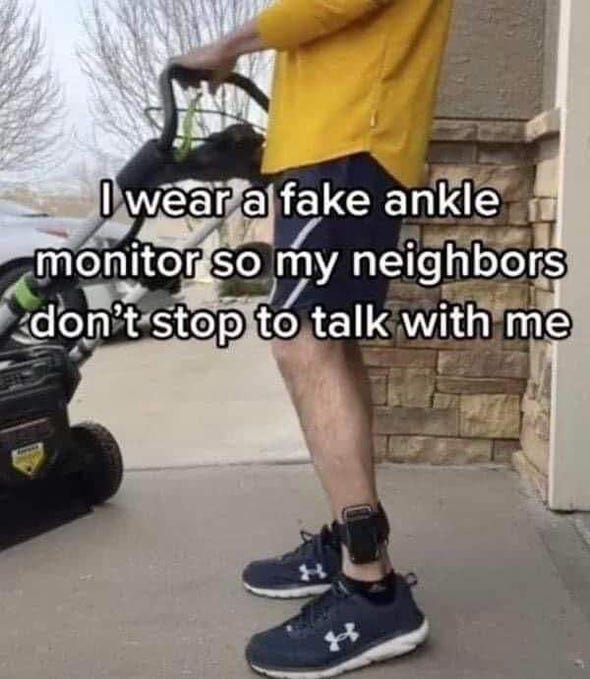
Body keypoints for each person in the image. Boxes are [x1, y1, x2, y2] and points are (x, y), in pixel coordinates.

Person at [173, 1, 454, 676]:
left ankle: (371, 587)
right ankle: (350, 539)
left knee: (301, 342)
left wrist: (228, 45)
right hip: (332, 145)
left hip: (346, 142)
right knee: (330, 341)